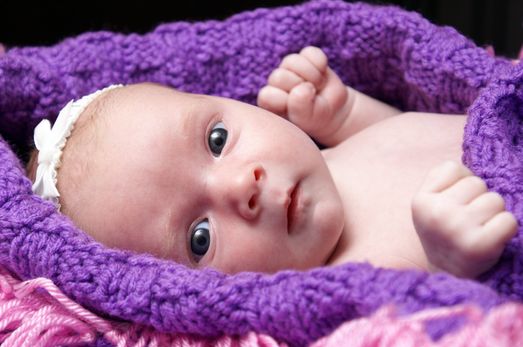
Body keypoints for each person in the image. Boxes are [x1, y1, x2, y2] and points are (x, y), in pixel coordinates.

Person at [26, 46, 518, 278]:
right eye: (200, 237)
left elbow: (408, 130)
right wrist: (452, 264)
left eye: (217, 140)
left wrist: (345, 113)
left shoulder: (338, 152)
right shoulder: (344, 281)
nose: (242, 185)